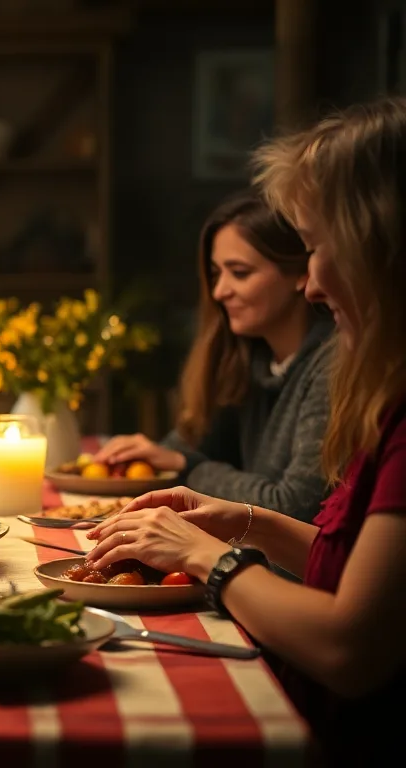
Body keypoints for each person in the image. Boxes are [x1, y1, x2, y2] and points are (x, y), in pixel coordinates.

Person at [84, 96, 406, 759]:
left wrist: (210, 556)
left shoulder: (348, 375)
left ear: (381, 245)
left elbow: (349, 649)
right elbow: (341, 551)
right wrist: (241, 522)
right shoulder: (347, 382)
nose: (316, 283)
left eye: (317, 246)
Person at [94, 190, 333, 521]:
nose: (220, 291)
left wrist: (186, 466)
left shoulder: (332, 365)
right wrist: (156, 454)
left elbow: (292, 506)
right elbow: (182, 450)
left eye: (240, 272)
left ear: (301, 274)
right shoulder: (251, 358)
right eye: (217, 273)